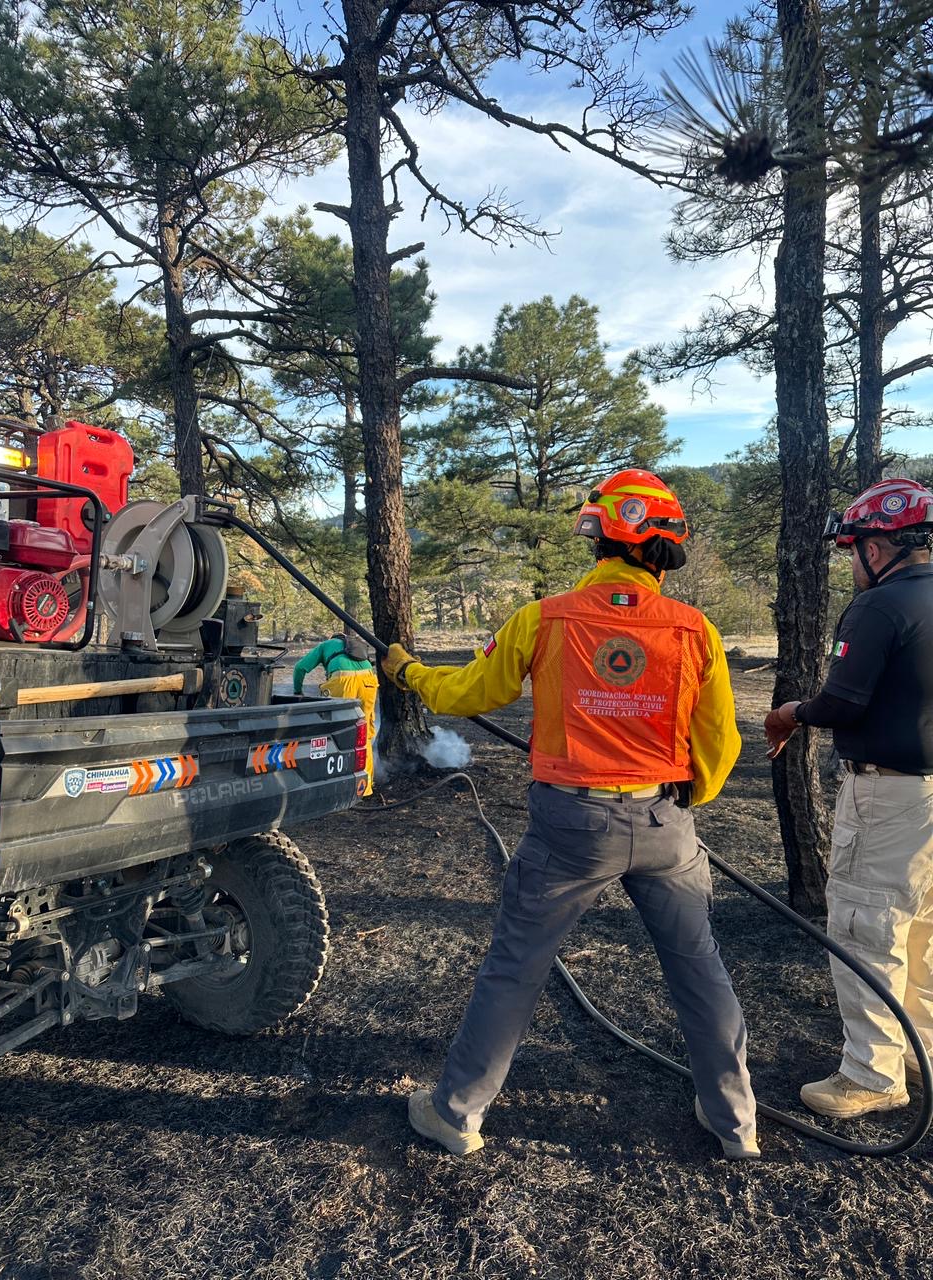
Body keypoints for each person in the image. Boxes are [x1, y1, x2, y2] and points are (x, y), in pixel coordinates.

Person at [382, 469, 758, 1160]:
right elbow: (722, 741)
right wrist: (688, 798)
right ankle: (736, 1123)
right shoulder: (695, 630)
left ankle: (457, 1115)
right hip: (663, 824)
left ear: (599, 541)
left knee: (515, 967)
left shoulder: (545, 617)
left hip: (569, 827)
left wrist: (407, 671)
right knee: (699, 968)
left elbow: (470, 691)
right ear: (662, 551)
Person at [765, 477, 933, 1119]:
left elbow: (841, 704)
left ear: (882, 543)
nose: (853, 562)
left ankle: (871, 1074)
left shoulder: (879, 609)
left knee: (867, 927)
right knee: (923, 931)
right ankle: (918, 1053)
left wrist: (790, 713)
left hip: (889, 796)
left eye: (854, 547)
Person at [293, 631, 377, 796]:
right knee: (364, 730)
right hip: (369, 679)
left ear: (332, 639)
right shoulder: (355, 644)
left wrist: (298, 692)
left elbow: (300, 668)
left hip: (342, 680)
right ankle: (365, 787)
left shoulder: (325, 645)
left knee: (336, 729)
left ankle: (336, 783)